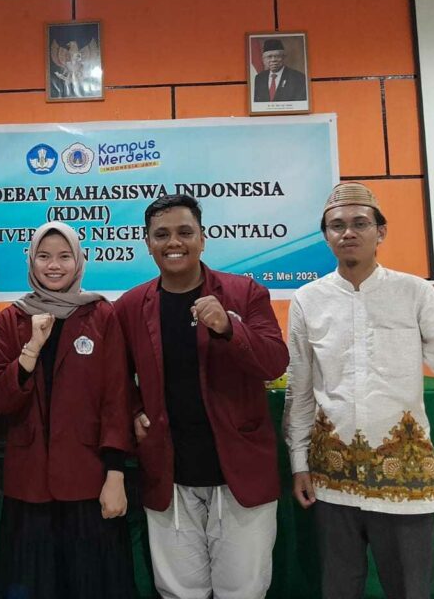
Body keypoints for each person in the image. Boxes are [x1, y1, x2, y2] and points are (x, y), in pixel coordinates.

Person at [283, 182, 434, 599]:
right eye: (337, 225)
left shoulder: (415, 292)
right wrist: (299, 463)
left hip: (404, 473)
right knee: (338, 585)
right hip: (333, 472)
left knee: (409, 586)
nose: (348, 232)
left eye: (360, 223)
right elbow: (300, 390)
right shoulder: (308, 300)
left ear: (381, 232)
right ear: (325, 235)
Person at [115, 194, 288, 599]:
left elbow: (274, 363)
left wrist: (229, 328)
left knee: (243, 591)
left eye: (184, 232)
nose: (174, 242)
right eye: (162, 234)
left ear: (203, 239)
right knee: (179, 592)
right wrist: (134, 410)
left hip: (240, 472)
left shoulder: (245, 293)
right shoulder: (130, 306)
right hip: (169, 475)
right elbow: (115, 378)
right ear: (148, 243)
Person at [0, 222, 134, 599]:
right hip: (29, 485)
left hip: (88, 481)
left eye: (64, 256)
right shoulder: (11, 320)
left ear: (79, 261)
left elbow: (116, 399)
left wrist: (115, 473)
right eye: (44, 256)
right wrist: (31, 349)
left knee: (91, 585)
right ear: (31, 261)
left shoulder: (101, 315)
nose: (54, 265)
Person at [252, 38, 307, 103]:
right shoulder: (259, 78)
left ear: (284, 57)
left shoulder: (298, 78)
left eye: (277, 56)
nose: (273, 60)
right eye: (269, 57)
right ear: (263, 59)